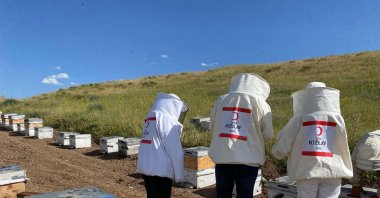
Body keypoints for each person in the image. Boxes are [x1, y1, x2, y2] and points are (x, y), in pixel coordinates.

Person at [271, 82, 353, 198]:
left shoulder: (299, 117)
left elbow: (285, 141)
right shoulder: (338, 118)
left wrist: (277, 153)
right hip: (334, 170)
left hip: (308, 170)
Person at [209, 73, 273, 198]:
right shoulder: (261, 104)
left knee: (222, 194)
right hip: (249, 161)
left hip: (223, 158)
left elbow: (212, 127)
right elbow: (268, 134)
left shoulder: (220, 100)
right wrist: (253, 141)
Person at [137, 92, 188, 198]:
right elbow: (175, 151)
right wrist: (179, 176)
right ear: (172, 105)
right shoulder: (167, 119)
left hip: (146, 168)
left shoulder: (150, 117)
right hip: (160, 171)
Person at [349, 130, 380, 198]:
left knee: (354, 162)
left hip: (367, 141)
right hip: (369, 141)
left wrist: (355, 184)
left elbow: (353, 161)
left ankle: (356, 189)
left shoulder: (365, 137)